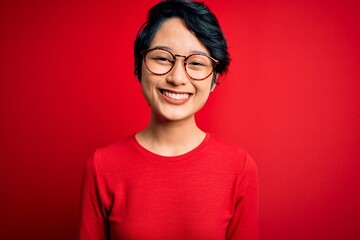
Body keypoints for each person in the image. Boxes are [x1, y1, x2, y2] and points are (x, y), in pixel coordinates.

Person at [79, 0, 259, 239]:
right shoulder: (102, 167)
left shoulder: (240, 168)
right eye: (162, 58)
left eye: (196, 63)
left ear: (214, 78)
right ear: (138, 67)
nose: (177, 77)